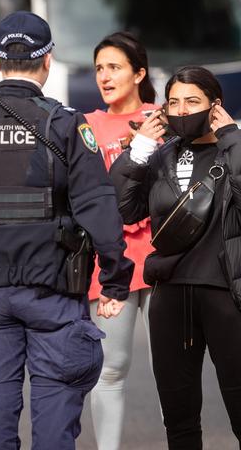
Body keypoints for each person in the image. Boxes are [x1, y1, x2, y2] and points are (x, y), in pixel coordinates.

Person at [0, 10, 135, 450]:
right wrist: (115, 278)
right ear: (48, 61)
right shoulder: (66, 123)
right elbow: (98, 206)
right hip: (53, 290)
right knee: (56, 407)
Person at [110, 65, 241, 449]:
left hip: (229, 295)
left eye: (192, 101)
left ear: (215, 105)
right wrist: (138, 152)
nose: (182, 110)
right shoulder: (160, 156)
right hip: (170, 299)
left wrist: (232, 136)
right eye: (174, 102)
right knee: (179, 421)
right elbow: (122, 210)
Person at [83, 32, 158, 450]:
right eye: (99, 69)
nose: (105, 77)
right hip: (110, 263)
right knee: (111, 369)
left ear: (139, 73)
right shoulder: (88, 127)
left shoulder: (164, 117)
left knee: (172, 369)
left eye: (114, 67)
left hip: (169, 260)